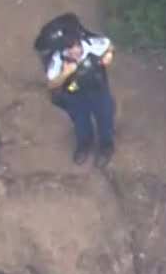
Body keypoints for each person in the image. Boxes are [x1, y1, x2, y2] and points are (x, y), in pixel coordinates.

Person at [42, 20, 116, 166]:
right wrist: (65, 73)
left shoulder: (92, 44)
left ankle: (106, 147)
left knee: (105, 118)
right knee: (80, 122)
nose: (71, 51)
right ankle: (84, 145)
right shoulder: (58, 58)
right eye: (67, 48)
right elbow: (51, 84)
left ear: (79, 42)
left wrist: (109, 56)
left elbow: (109, 46)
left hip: (98, 89)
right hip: (75, 94)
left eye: (73, 47)